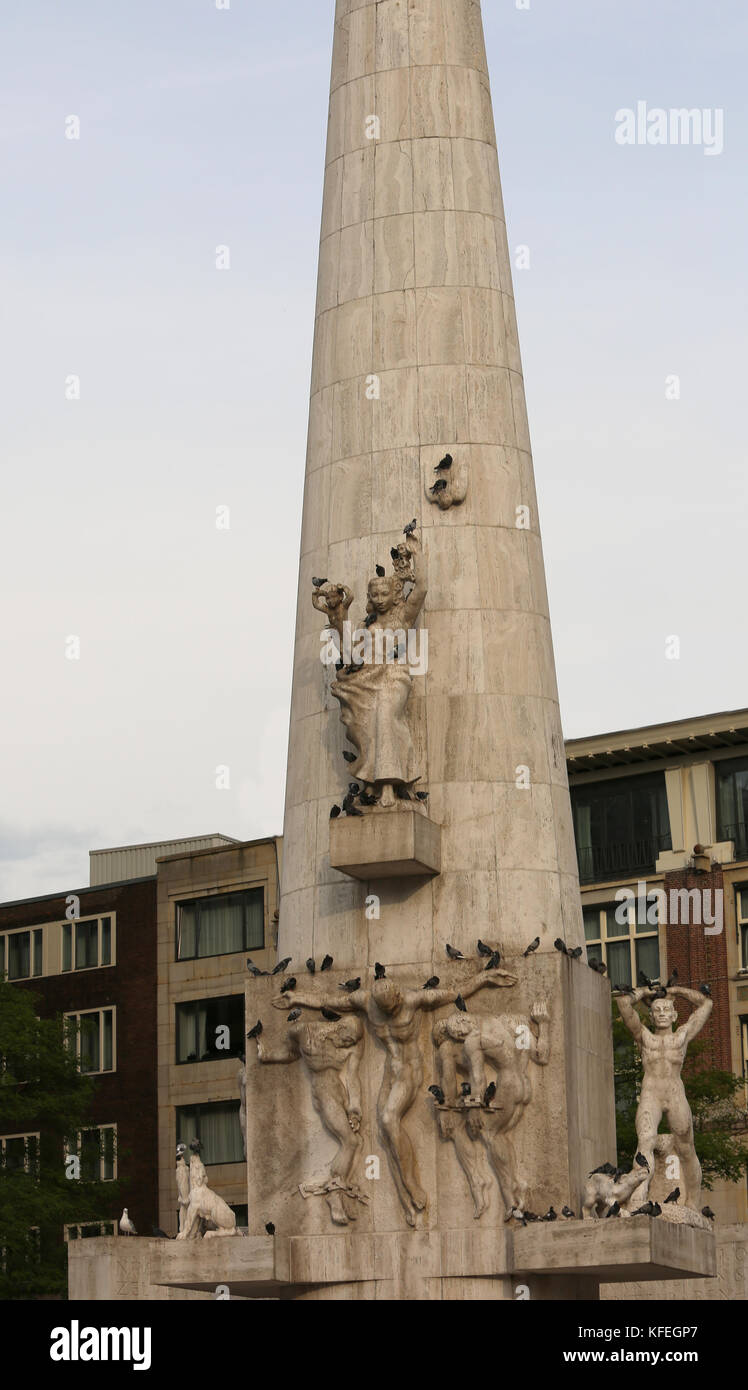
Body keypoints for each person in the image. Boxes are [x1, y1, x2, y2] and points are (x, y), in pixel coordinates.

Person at [276, 966, 517, 1226]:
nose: (389, 1013)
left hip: (410, 1070)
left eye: (392, 1008)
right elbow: (329, 1001)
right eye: (385, 1010)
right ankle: (408, 1204)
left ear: (398, 997)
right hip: (390, 1073)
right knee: (384, 1132)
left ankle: (413, 1185)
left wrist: (483, 977)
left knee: (390, 1120)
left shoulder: (413, 999)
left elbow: (453, 993)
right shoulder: (366, 1001)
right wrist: (297, 998)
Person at [253, 1015, 364, 1226]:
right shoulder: (308, 1032)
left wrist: (355, 1109)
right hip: (323, 1091)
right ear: (339, 1028)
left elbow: (352, 1077)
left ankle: (339, 1189)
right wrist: (267, 1055)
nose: (349, 1043)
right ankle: (334, 1194)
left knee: (356, 1142)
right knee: (351, 1142)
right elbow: (292, 1051)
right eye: (347, 1038)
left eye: (352, 1041)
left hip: (339, 1092)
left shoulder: (352, 1048)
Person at [614, 984, 712, 1209]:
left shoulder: (682, 1036)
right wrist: (646, 992)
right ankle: (640, 1194)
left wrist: (676, 990)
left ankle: (694, 1201)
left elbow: (706, 1004)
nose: (662, 1014)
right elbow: (623, 1003)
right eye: (657, 1010)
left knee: (686, 1148)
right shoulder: (644, 1036)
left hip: (675, 1093)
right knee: (645, 1140)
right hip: (651, 1094)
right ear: (650, 1015)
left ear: (675, 1015)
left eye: (667, 1010)